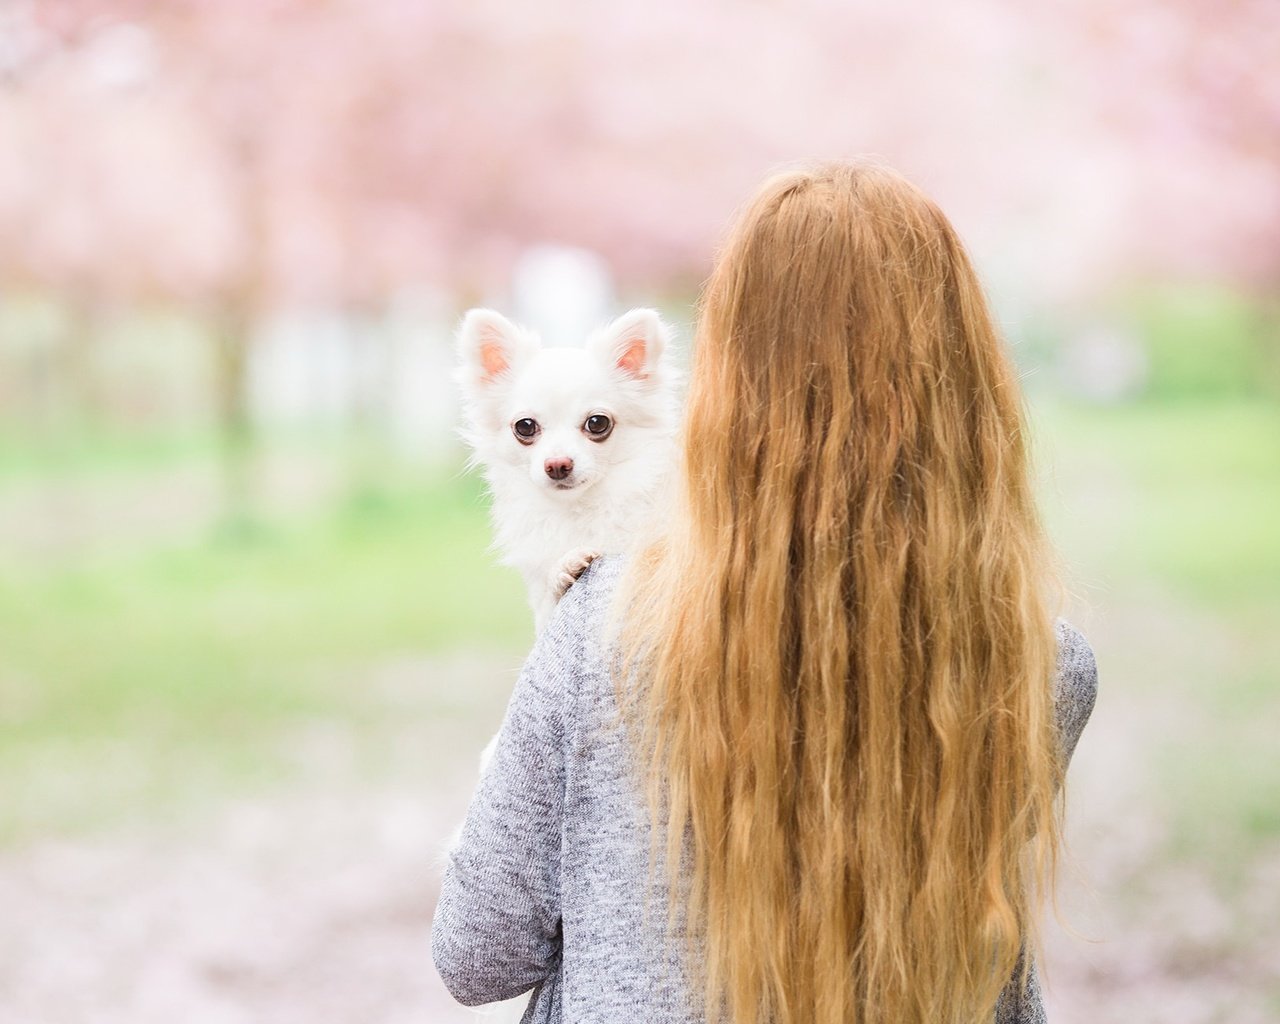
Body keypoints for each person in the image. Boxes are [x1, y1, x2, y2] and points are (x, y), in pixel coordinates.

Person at [431, 161, 1098, 1024]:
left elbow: (479, 952)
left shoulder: (599, 627)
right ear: (969, 385)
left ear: (727, 383)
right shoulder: (1043, 666)